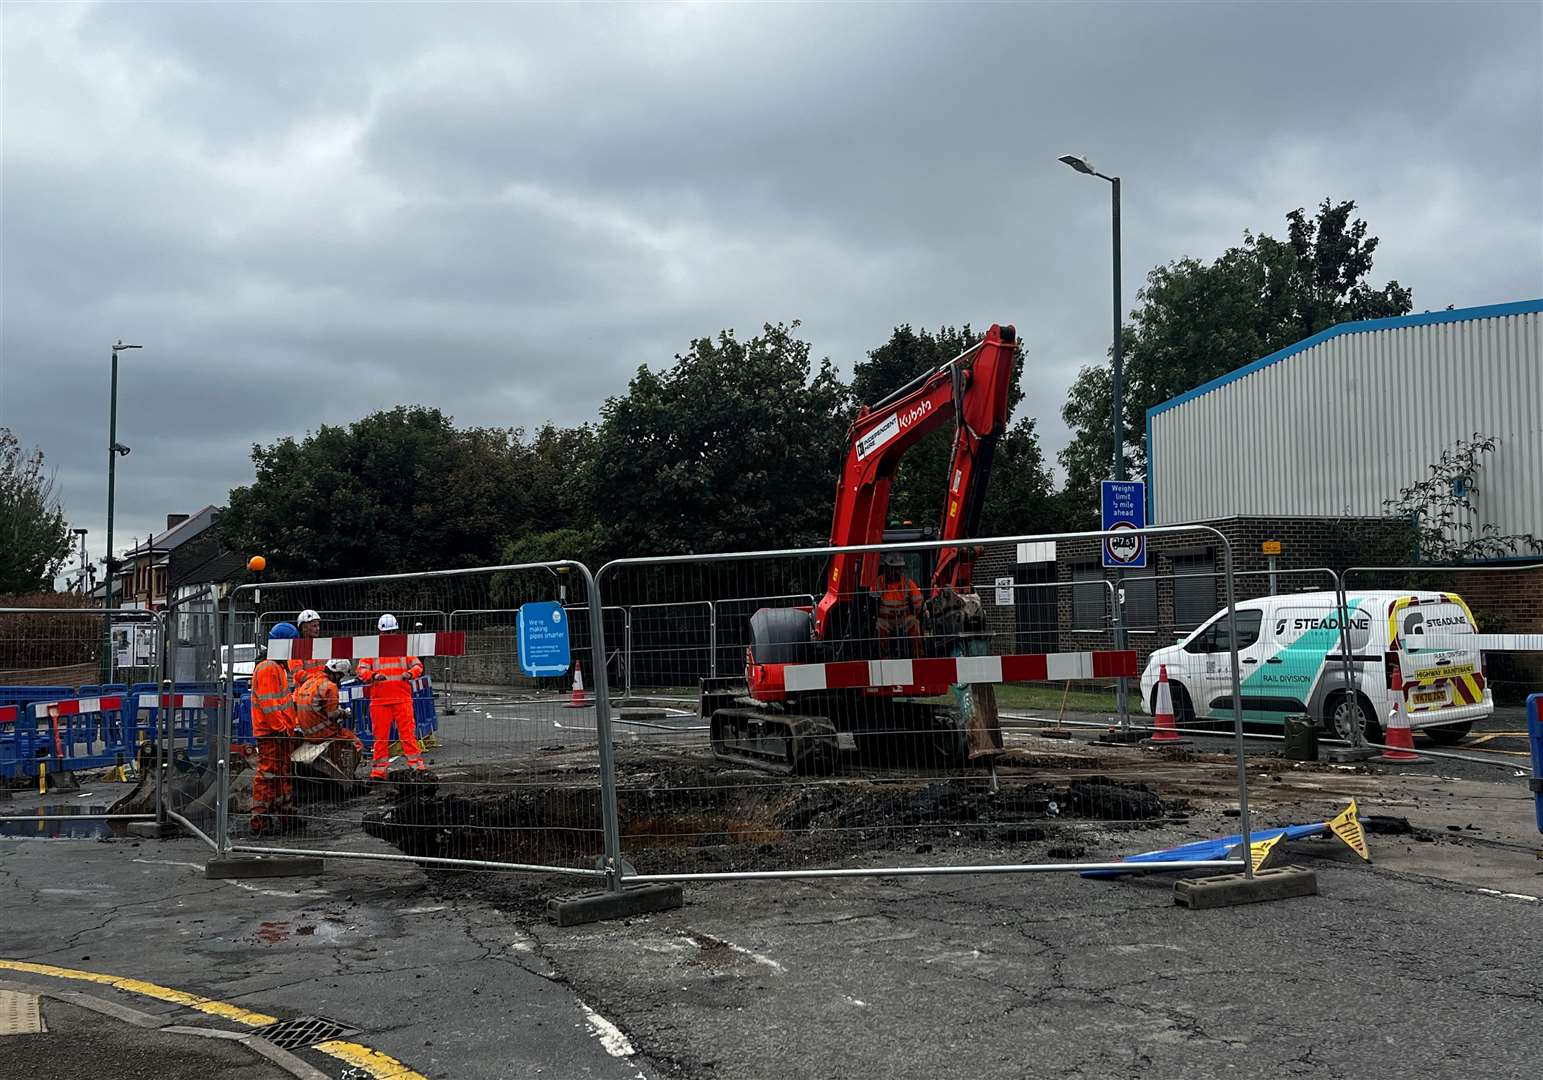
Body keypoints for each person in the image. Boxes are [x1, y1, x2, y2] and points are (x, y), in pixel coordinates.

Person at [357, 613, 427, 780]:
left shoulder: (403, 649)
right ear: (380, 633)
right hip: (381, 701)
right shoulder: (372, 650)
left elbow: (418, 665)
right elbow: (361, 670)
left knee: (408, 736)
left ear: (396, 632)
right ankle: (379, 771)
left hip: (401, 699)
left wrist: (411, 673)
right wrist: (373, 676)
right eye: (386, 633)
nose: (389, 636)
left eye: (392, 632)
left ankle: (416, 767)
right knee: (380, 739)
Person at [251, 622, 302, 836]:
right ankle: (260, 819)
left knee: (281, 775)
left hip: (279, 732)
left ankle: (284, 814)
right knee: (269, 775)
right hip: (272, 733)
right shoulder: (269, 668)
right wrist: (281, 728)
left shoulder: (276, 667)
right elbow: (269, 704)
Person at [876, 553, 924, 659]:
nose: (897, 572)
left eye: (899, 568)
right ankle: (884, 659)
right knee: (879, 627)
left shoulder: (908, 583)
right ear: (887, 568)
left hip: (904, 618)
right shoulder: (878, 582)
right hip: (885, 620)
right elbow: (871, 603)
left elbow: (918, 604)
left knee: (914, 624)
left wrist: (916, 613)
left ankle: (918, 657)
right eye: (894, 568)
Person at [288, 608, 326, 690]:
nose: (318, 629)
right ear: (304, 628)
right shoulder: (297, 648)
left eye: (318, 625)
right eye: (314, 626)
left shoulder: (321, 646)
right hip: (304, 694)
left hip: (321, 691)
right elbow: (298, 674)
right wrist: (318, 681)